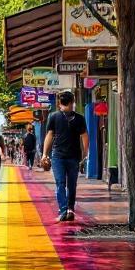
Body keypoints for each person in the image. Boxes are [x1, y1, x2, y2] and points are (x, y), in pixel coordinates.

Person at [41, 90, 89, 222]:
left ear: (59, 102)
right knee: (69, 183)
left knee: (62, 183)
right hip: (68, 156)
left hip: (62, 155)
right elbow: (85, 136)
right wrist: (85, 153)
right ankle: (67, 209)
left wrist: (45, 153)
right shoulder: (74, 117)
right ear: (73, 102)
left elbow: (49, 136)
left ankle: (66, 209)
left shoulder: (55, 116)